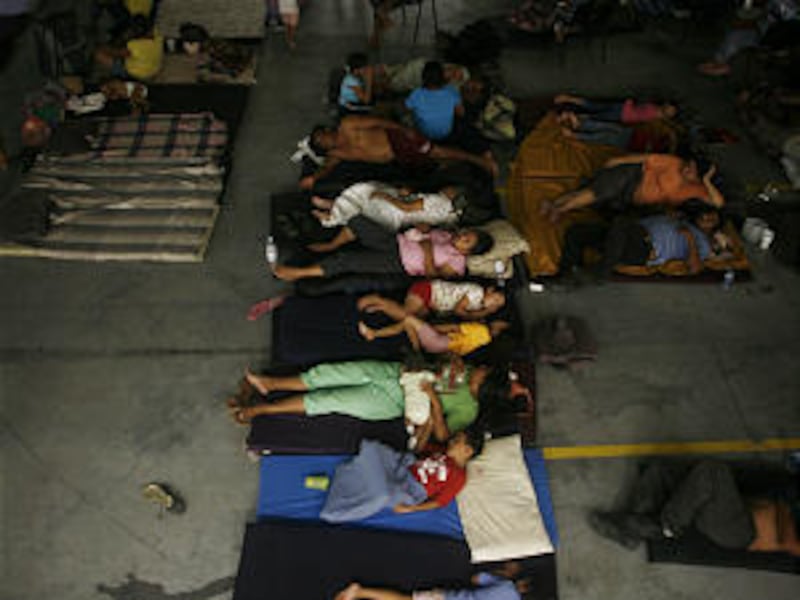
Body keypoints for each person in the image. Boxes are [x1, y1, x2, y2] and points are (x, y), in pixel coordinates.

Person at [233, 360, 494, 447]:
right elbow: (438, 364)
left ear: (487, 387)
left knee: (329, 401)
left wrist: (435, 402)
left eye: (485, 372)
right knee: (327, 373)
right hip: (395, 373)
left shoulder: (470, 409)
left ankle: (263, 409)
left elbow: (442, 435)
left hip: (391, 403)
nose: (480, 368)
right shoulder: (467, 371)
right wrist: (445, 365)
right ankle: (271, 384)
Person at [589, 460, 800, 556]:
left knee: (712, 472)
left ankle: (667, 527)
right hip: (738, 505)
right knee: (661, 470)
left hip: (739, 531)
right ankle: (632, 534)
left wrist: (786, 510)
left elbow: (789, 543)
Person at [320, 429, 484, 523]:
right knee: (374, 449)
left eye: (457, 442)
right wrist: (426, 428)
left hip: (411, 490)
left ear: (468, 451)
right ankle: (350, 479)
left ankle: (336, 509)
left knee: (382, 495)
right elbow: (418, 451)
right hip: (405, 467)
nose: (451, 442)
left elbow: (438, 502)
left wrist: (411, 509)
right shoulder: (442, 453)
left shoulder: (459, 476)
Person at [298, 116, 498, 190]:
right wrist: (313, 178)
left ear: (326, 131)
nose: (323, 141)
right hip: (397, 158)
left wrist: (403, 130)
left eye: (320, 136)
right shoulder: (338, 154)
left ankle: (481, 161)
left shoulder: (347, 125)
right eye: (320, 144)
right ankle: (472, 163)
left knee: (438, 152)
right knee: (437, 159)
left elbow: (378, 121)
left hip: (399, 140)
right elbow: (326, 168)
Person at [271, 217, 494, 281]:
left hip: (398, 262)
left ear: (467, 253)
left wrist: (426, 252)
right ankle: (330, 244)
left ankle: (297, 274)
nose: (461, 237)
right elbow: (420, 234)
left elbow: (433, 276)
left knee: (347, 260)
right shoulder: (446, 234)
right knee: (358, 221)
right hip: (395, 241)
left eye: (466, 241)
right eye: (465, 233)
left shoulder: (457, 263)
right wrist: (424, 229)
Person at [558, 205, 729, 280]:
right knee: (577, 231)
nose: (707, 217)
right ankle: (566, 275)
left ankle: (601, 271)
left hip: (643, 248)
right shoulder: (683, 219)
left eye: (712, 219)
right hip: (624, 236)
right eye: (707, 214)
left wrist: (690, 239)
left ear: (714, 229)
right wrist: (666, 214)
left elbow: (695, 269)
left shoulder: (703, 243)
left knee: (620, 222)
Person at [543, 154, 725, 221]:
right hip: (632, 176)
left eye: (691, 171)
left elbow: (718, 204)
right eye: (688, 166)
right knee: (598, 192)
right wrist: (618, 161)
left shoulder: (698, 190)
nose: (686, 169)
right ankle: (559, 208)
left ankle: (554, 203)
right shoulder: (674, 162)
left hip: (630, 198)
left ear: (699, 179)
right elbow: (644, 158)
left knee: (594, 196)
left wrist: (708, 181)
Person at [357, 295, 510, 355]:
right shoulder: (485, 342)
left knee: (409, 320)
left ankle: (374, 333)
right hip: (440, 348)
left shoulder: (482, 330)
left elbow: (452, 328)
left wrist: (428, 328)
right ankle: (376, 330)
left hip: (439, 340)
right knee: (407, 324)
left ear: (501, 328)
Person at [697, 0, 799, 76]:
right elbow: (764, 14)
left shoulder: (788, 8)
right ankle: (719, 61)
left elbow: (775, 23)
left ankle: (722, 65)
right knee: (735, 30)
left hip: (771, 38)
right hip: (765, 29)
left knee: (735, 35)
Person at [310, 182, 460, 231]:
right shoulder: (451, 217)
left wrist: (385, 196)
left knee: (368, 191)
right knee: (366, 204)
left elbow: (406, 207)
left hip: (396, 211)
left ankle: (332, 215)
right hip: (398, 221)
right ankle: (334, 206)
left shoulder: (441, 202)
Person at [334, 563, 528, 600]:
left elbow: (476, 578)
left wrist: (504, 573)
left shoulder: (506, 585)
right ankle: (360, 592)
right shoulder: (508, 588)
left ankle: (360, 592)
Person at [360, 280, 507, 320]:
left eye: (497, 305)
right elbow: (458, 310)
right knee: (406, 315)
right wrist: (485, 313)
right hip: (429, 291)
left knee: (412, 319)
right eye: (495, 298)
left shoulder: (478, 305)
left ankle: (381, 306)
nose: (493, 303)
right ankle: (380, 301)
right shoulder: (477, 292)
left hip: (431, 301)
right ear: (490, 290)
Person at [405, 61, 464, 142]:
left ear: (423, 77)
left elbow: (406, 109)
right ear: (442, 77)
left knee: (408, 116)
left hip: (424, 135)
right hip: (447, 135)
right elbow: (461, 113)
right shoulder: (451, 91)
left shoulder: (416, 93)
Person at [94, 15, 164, 81]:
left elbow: (115, 52)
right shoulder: (158, 36)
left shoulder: (134, 46)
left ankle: (123, 78)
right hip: (154, 70)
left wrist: (101, 46)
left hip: (137, 75)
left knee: (98, 54)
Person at [553, 94, 679, 124]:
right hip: (622, 110)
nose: (668, 112)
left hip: (621, 115)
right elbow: (639, 108)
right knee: (593, 108)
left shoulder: (659, 119)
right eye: (670, 109)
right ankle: (567, 99)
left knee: (594, 115)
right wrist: (629, 103)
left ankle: (567, 113)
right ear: (666, 105)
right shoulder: (655, 109)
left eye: (671, 113)